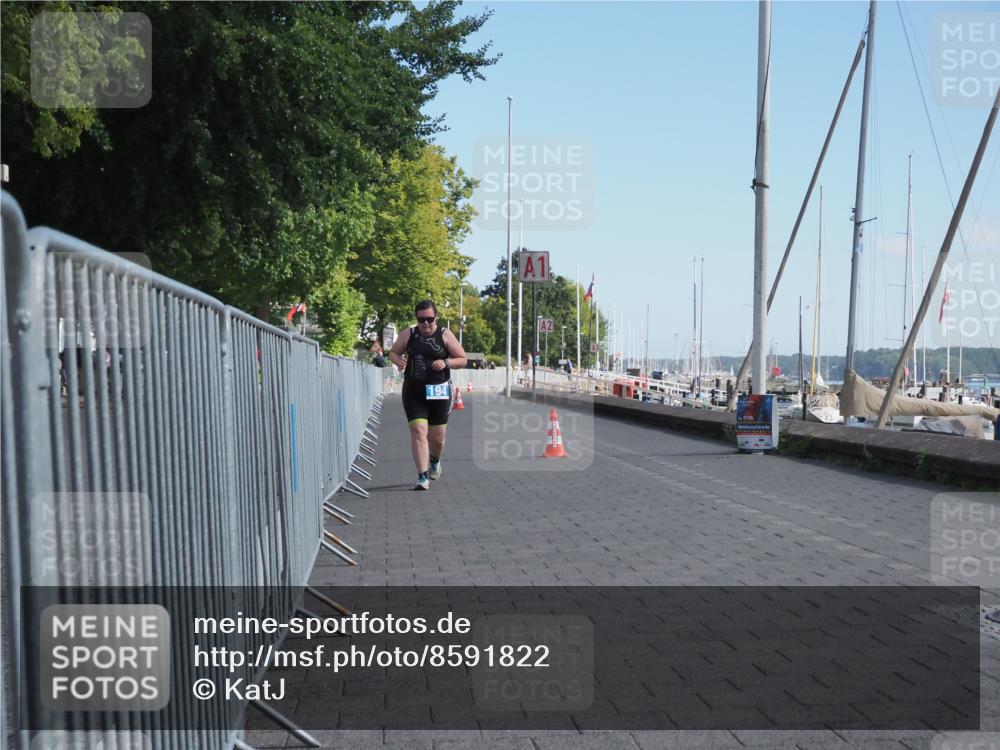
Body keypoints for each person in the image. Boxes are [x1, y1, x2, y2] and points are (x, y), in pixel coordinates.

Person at [389, 301, 467, 490]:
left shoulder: (445, 335)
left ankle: (435, 460)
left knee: (437, 438)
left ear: (436, 318)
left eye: (429, 319)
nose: (425, 323)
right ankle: (422, 476)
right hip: (414, 390)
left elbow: (462, 359)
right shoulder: (409, 334)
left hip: (438, 390)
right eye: (421, 319)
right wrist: (399, 362)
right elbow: (393, 352)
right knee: (418, 431)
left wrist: (446, 362)